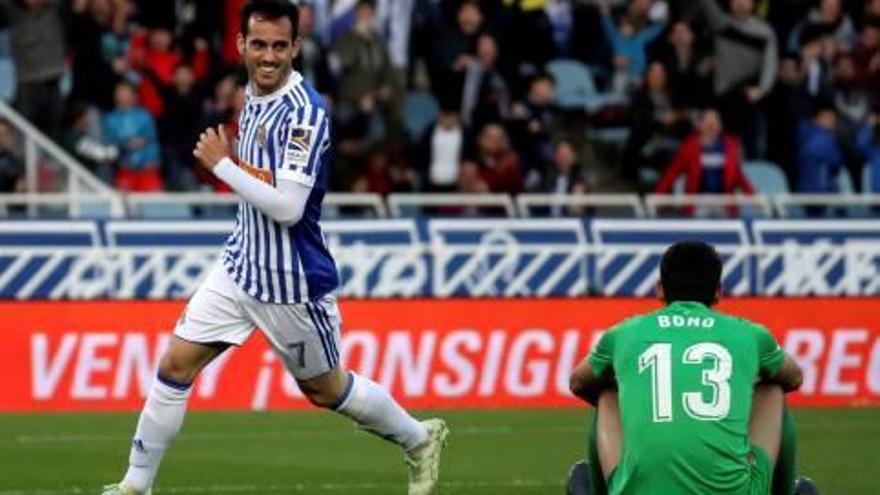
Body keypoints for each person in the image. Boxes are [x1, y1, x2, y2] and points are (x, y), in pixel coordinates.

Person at [100, 2, 448, 494]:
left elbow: (287, 207)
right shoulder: (252, 92)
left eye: (279, 46)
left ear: (296, 48)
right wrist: (235, 167)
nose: (268, 56)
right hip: (242, 265)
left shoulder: (305, 113)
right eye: (259, 44)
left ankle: (418, 439)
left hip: (292, 282)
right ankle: (135, 487)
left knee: (325, 389)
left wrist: (222, 166)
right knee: (175, 364)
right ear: (241, 45)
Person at [568, 240, 811, 495]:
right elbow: (794, 378)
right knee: (773, 389)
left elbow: (578, 381)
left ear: (660, 289)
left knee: (607, 394)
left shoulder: (623, 333)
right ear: (718, 291)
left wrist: (633, 392)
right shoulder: (751, 335)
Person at [654, 109, 754, 215]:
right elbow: (672, 173)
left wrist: (752, 195)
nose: (711, 126)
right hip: (698, 201)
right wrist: (658, 195)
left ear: (720, 126)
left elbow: (738, 175)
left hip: (724, 202)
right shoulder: (689, 147)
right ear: (699, 125)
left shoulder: (731, 146)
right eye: (707, 122)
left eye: (715, 122)